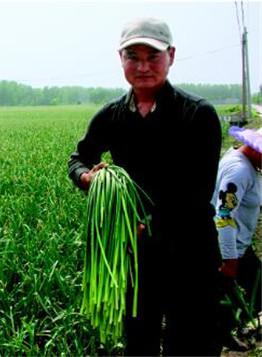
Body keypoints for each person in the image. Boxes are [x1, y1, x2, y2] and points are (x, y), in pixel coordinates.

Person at [67, 18, 223, 355]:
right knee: (140, 340)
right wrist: (87, 178)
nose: (142, 67)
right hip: (137, 258)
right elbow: (79, 158)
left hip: (189, 249)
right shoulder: (111, 116)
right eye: (132, 56)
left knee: (192, 340)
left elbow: (196, 193)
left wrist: (142, 224)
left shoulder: (198, 115)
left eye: (152, 56)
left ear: (171, 55)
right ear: (120, 59)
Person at [212, 126, 261, 349]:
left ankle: (228, 329)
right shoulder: (239, 171)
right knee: (221, 295)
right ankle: (222, 333)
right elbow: (223, 215)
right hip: (229, 248)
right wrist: (229, 259)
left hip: (240, 243)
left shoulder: (241, 159)